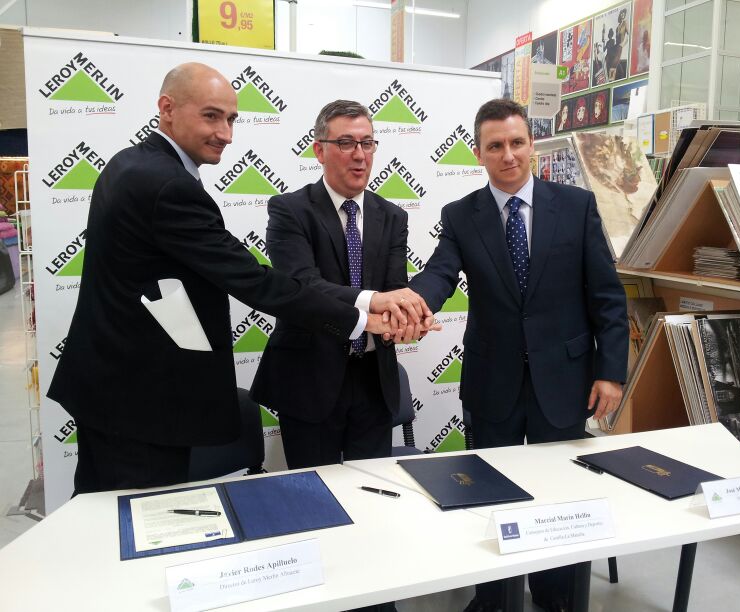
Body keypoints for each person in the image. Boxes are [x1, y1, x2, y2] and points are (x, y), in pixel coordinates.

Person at [47, 64, 402, 496]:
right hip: (138, 400)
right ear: (167, 109)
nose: (226, 134)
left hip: (117, 390)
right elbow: (254, 280)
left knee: (111, 512)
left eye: (231, 119)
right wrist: (360, 317)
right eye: (211, 116)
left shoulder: (132, 164)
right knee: (131, 518)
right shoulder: (167, 185)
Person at [408, 98, 628, 612]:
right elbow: (440, 273)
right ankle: (494, 597)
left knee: (559, 494)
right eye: (495, 146)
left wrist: (611, 372)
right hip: (493, 382)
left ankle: (555, 595)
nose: (508, 155)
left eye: (516, 142)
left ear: (532, 145)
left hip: (565, 379)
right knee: (491, 494)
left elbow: (607, 296)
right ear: (478, 153)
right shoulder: (460, 215)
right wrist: (413, 303)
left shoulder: (576, 206)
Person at [251, 100, 432, 472]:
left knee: (373, 489)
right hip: (309, 378)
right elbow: (303, 285)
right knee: (314, 491)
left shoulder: (393, 216)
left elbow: (395, 289)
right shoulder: (289, 210)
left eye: (367, 143)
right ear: (319, 150)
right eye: (346, 143)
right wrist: (375, 301)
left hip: (373, 379)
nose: (360, 155)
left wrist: (407, 320)